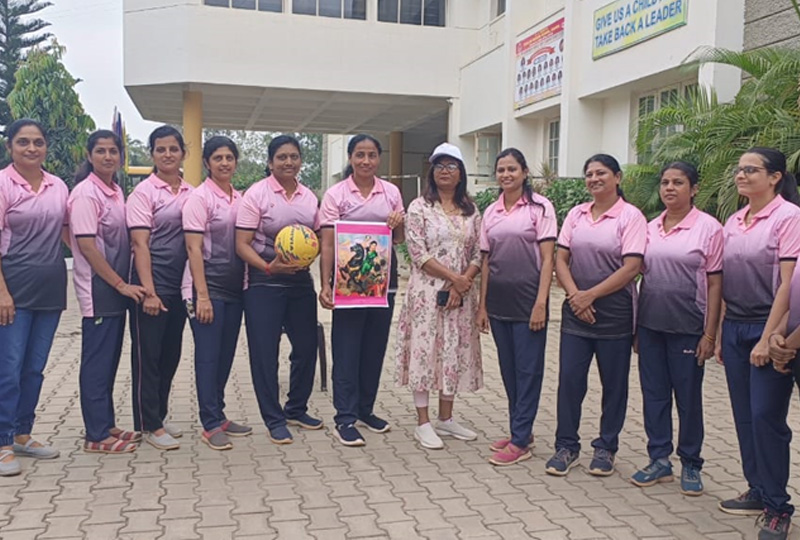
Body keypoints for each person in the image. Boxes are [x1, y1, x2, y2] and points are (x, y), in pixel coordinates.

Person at [716, 148, 800, 540]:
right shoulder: (734, 220)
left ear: (775, 177)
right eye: (740, 169)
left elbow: (789, 284)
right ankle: (758, 487)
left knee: (767, 417)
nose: (741, 175)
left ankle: (778, 507)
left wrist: (769, 336)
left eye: (751, 170)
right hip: (734, 327)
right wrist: (717, 333)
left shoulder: (789, 217)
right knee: (744, 415)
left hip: (770, 328)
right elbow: (720, 282)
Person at [545, 154, 646, 477]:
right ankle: (566, 446)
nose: (594, 179)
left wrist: (590, 295)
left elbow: (632, 267)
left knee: (614, 385)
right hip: (576, 314)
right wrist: (577, 296)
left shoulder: (631, 217)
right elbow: (562, 259)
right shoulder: (576, 214)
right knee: (570, 382)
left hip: (615, 314)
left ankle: (606, 447)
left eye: (601, 173)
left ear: (617, 177)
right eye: (588, 174)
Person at [629, 162, 723, 495]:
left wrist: (710, 334)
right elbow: (638, 277)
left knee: (688, 399)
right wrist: (637, 328)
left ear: (694, 189)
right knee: (654, 397)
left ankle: (691, 463)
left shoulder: (709, 229)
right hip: (651, 325)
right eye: (665, 182)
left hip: (688, 328)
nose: (670, 188)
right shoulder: (650, 227)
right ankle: (659, 460)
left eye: (678, 182)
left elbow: (715, 285)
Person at [395, 142, 482, 450]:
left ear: (461, 174)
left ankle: (446, 418)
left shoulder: (471, 210)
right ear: (432, 172)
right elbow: (417, 252)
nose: (445, 171)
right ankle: (423, 422)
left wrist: (463, 283)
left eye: (452, 166)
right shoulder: (419, 207)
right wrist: (454, 279)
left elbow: (477, 252)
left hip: (460, 295)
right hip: (426, 295)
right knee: (425, 351)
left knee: (452, 351)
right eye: (439, 166)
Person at [319, 134, 405, 447]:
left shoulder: (391, 192)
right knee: (346, 350)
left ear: (379, 159)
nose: (365, 161)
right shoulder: (336, 194)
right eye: (359, 155)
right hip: (348, 285)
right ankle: (345, 417)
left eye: (371, 155)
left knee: (373, 349)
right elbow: (327, 242)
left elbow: (398, 239)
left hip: (383, 284)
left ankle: (366, 410)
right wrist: (325, 283)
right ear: (351, 158)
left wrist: (397, 222)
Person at [235, 135, 321, 445]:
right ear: (270, 162)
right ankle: (273, 419)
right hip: (264, 281)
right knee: (264, 352)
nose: (288, 162)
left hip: (299, 281)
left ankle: (296, 408)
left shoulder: (309, 197)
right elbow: (241, 244)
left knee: (306, 347)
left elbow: (319, 238)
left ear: (300, 161)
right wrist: (270, 267)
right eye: (281, 157)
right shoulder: (256, 195)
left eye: (294, 156)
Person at [476, 148, 557, 466]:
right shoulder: (491, 211)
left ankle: (521, 440)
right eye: (501, 170)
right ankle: (519, 430)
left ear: (524, 172)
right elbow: (485, 261)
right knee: (510, 372)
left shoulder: (541, 208)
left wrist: (541, 304)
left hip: (529, 303)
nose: (506, 175)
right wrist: (482, 307)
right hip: (498, 303)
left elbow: (549, 259)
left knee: (528, 371)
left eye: (512, 169)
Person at [70, 130, 147, 454]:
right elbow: (87, 246)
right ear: (89, 156)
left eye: (113, 151)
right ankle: (96, 435)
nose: (107, 157)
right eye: (100, 151)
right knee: (97, 363)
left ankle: (106, 423)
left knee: (110, 360)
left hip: (116, 289)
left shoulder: (114, 191)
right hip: (100, 291)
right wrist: (119, 283)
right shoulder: (87, 193)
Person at [0, 119, 68, 476]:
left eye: (38, 142)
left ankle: (23, 434)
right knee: (7, 369)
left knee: (34, 369)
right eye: (23, 142)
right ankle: (2, 441)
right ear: (10, 146)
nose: (31, 148)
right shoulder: (2, 184)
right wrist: (2, 293)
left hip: (51, 290)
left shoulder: (58, 186)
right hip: (12, 292)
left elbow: (71, 232)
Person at [183, 136, 251, 451]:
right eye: (218, 158)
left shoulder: (240, 199)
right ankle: (209, 423)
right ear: (207, 163)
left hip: (235, 288)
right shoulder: (199, 199)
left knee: (224, 356)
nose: (224, 163)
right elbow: (193, 248)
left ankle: (219, 414)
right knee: (208, 357)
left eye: (229, 158)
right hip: (207, 288)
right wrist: (202, 295)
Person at [127, 125, 193, 451]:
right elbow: (140, 244)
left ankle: (160, 416)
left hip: (180, 287)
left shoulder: (192, 192)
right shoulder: (144, 193)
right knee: (147, 358)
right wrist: (149, 292)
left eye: (173, 149)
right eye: (160, 149)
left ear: (183, 153)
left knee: (170, 356)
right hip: (151, 285)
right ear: (152, 154)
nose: (167, 154)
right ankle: (148, 424)